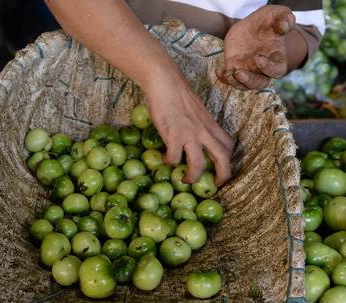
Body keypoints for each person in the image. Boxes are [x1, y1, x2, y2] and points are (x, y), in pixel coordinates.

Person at [44, 1, 325, 187]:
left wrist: (267, 50)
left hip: (220, 83)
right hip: (93, 49)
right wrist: (163, 79)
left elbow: (305, 28)